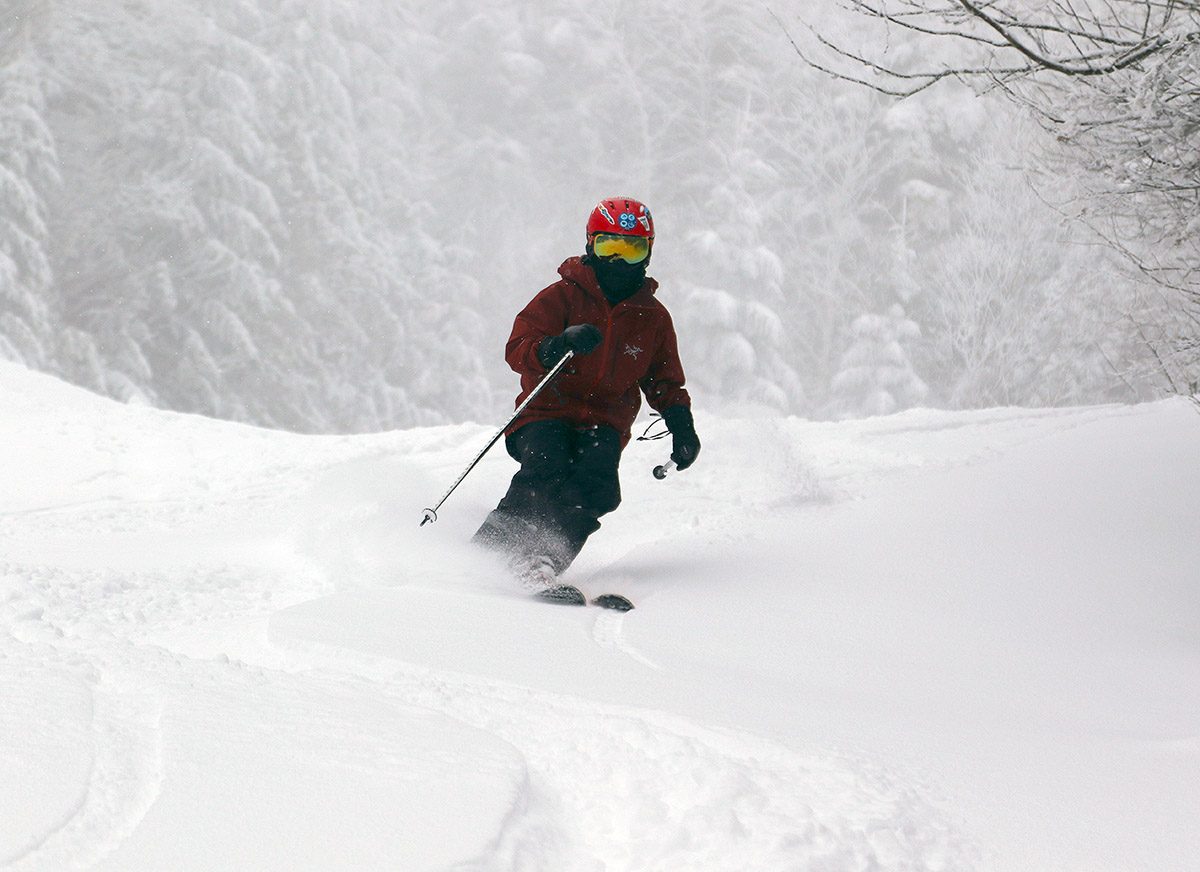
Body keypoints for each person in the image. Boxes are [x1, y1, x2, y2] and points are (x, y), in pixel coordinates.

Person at [471, 196, 701, 598]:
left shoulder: (652, 317)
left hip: (605, 422)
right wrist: (557, 344)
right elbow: (517, 348)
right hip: (545, 411)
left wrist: (682, 425)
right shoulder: (562, 297)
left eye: (632, 249)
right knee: (547, 467)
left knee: (596, 487)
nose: (618, 261)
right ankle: (488, 556)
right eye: (609, 247)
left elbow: (665, 381)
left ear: (648, 253)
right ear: (590, 244)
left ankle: (542, 562)